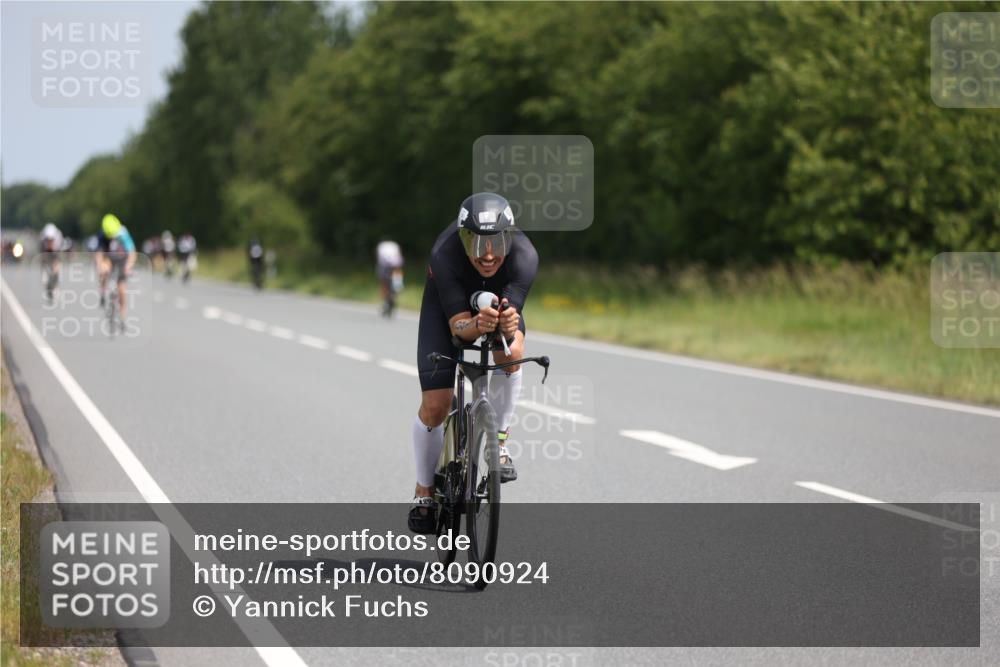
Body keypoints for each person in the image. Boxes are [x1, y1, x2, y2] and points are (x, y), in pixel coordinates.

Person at [408, 193, 538, 534]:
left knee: (510, 354)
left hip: (495, 305)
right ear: (463, 238)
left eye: (496, 243)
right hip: (448, 312)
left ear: (509, 237)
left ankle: (500, 441)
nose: (488, 255)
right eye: (477, 243)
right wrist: (476, 325)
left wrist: (506, 325)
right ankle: (424, 489)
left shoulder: (525, 256)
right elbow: (458, 328)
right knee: (435, 406)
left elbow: (511, 324)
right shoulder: (445, 253)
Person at [95, 214, 137, 320]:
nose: (112, 237)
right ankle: (103, 291)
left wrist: (129, 266)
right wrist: (100, 265)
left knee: (122, 288)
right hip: (109, 257)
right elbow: (99, 253)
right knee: (104, 270)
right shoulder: (102, 234)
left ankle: (122, 315)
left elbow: (132, 252)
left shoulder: (123, 233)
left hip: (122, 258)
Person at [375, 238, 404, 316]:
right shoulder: (394, 245)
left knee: (384, 284)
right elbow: (399, 255)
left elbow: (379, 257)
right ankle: (393, 299)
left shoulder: (381, 245)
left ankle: (386, 302)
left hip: (385, 267)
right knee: (397, 285)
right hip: (396, 266)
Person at [39, 223, 63, 300]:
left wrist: (55, 270)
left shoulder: (58, 239)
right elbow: (42, 255)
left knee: (56, 270)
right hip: (45, 252)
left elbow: (57, 257)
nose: (50, 242)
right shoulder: (42, 240)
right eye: (48, 240)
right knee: (45, 268)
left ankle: (54, 285)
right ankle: (48, 285)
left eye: (51, 240)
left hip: (55, 252)